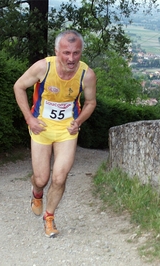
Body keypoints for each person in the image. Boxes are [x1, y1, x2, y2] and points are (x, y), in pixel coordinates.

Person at [13, 30, 97, 238]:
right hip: (41, 128)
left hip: (66, 131)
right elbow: (19, 86)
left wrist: (78, 121)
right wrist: (29, 119)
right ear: (56, 51)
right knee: (42, 178)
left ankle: (49, 217)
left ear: (81, 52)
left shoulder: (87, 75)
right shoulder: (44, 67)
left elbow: (90, 102)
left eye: (76, 53)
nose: (71, 58)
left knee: (59, 178)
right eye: (66, 53)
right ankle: (37, 192)